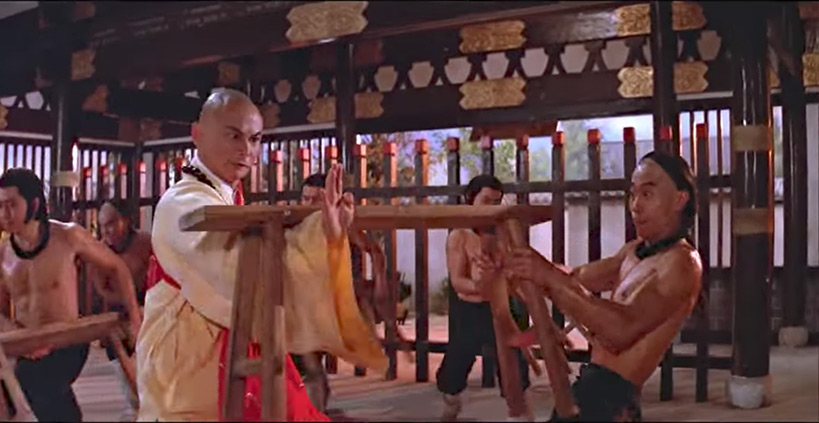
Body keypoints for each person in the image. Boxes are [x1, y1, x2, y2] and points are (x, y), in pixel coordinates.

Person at [136, 88, 385, 421]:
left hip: (226, 353)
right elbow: (238, 268)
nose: (246, 150)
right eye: (233, 136)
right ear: (197, 134)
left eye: (254, 139)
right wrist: (317, 238)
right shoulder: (181, 202)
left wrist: (325, 231)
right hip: (189, 369)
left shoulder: (223, 196)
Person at [498, 151, 703, 422]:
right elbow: (575, 278)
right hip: (590, 388)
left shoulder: (683, 264)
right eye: (633, 194)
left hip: (613, 403)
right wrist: (519, 267)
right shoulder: (633, 252)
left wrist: (546, 274)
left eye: (647, 194)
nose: (635, 206)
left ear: (679, 199)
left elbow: (622, 331)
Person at [0, 168, 142, 422]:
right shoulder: (3, 254)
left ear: (34, 204)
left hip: (68, 340)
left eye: (11, 205)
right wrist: (16, 336)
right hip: (29, 345)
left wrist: (134, 318)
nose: (4, 213)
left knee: (37, 387)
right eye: (0, 206)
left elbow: (116, 267)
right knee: (26, 395)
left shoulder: (68, 236)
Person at [435, 174, 532, 421]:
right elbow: (458, 281)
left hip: (501, 306)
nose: (492, 207)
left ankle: (518, 411)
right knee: (457, 363)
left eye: (496, 202)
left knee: (513, 361)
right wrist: (483, 287)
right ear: (471, 199)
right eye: (486, 200)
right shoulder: (460, 236)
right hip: (471, 309)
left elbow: (513, 271)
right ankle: (451, 400)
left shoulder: (503, 233)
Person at [87, 198, 151, 420]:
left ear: (127, 220)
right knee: (129, 385)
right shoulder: (98, 251)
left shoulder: (146, 243)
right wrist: (130, 305)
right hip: (118, 313)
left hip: (151, 309)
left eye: (111, 223)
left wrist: (144, 308)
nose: (106, 230)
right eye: (103, 225)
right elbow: (103, 290)